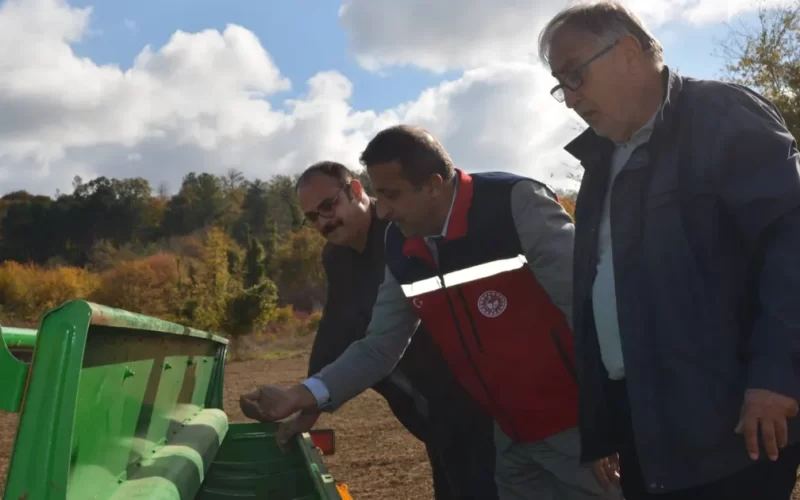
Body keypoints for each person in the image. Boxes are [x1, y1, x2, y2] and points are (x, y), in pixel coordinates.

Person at [240, 125, 622, 500]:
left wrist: (605, 420)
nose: (384, 210)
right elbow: (378, 347)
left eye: (391, 195)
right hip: (505, 438)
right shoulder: (399, 242)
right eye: (378, 195)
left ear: (435, 184)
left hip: (576, 433)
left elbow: (589, 311)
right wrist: (301, 396)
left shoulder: (513, 204)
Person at [538, 2, 800, 499]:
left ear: (630, 52)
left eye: (575, 77)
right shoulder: (600, 161)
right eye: (560, 84)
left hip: (733, 425)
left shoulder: (721, 115)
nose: (569, 99)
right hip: (645, 428)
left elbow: (792, 246)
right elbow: (600, 295)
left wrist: (777, 376)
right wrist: (603, 427)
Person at [277, 160, 498, 499]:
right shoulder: (336, 257)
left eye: (328, 206)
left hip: (476, 393)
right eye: (312, 217)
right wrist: (308, 407)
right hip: (427, 408)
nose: (323, 221)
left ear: (355, 190)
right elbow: (336, 328)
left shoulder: (403, 228)